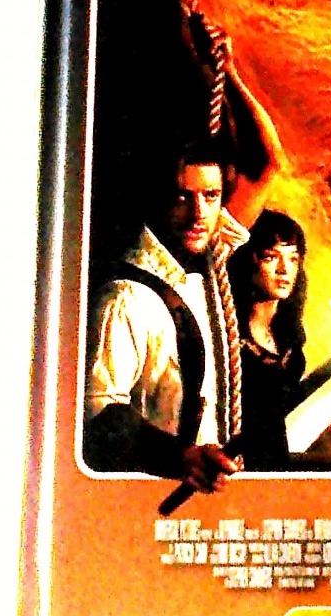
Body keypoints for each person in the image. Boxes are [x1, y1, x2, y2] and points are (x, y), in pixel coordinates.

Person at [84, 136, 247, 493]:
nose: (199, 214)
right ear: (157, 197)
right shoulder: (126, 299)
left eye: (211, 196)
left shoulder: (206, 273)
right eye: (183, 197)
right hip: (150, 497)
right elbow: (98, 409)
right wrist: (179, 457)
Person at [226, 210, 308, 469]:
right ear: (250, 261)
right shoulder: (227, 333)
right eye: (271, 257)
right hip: (234, 467)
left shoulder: (289, 337)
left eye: (293, 259)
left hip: (277, 466)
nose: (284, 270)